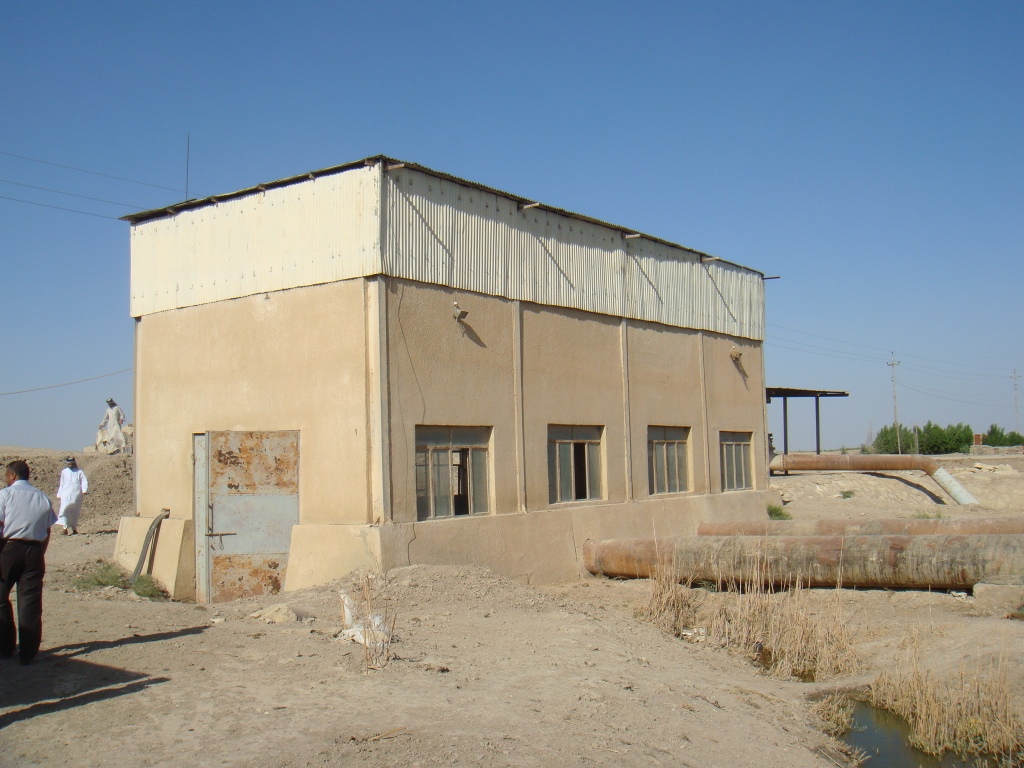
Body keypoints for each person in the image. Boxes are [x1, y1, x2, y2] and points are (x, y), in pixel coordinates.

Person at [0, 460, 57, 665]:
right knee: (30, 602)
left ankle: (6, 646)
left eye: (6, 475)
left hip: (9, 549)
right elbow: (48, 529)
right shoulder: (42, 497)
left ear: (13, 476)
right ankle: (28, 653)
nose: (6, 479)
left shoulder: (5, 495)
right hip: (34, 551)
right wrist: (40, 551)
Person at [56, 456, 89, 535]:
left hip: (76, 495)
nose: (70, 464)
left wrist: (84, 490)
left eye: (72, 462)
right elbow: (62, 483)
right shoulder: (64, 471)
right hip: (65, 495)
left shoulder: (79, 471)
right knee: (64, 510)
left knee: (74, 512)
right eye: (69, 462)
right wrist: (59, 494)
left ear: (74, 463)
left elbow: (84, 481)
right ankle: (65, 528)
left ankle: (74, 529)